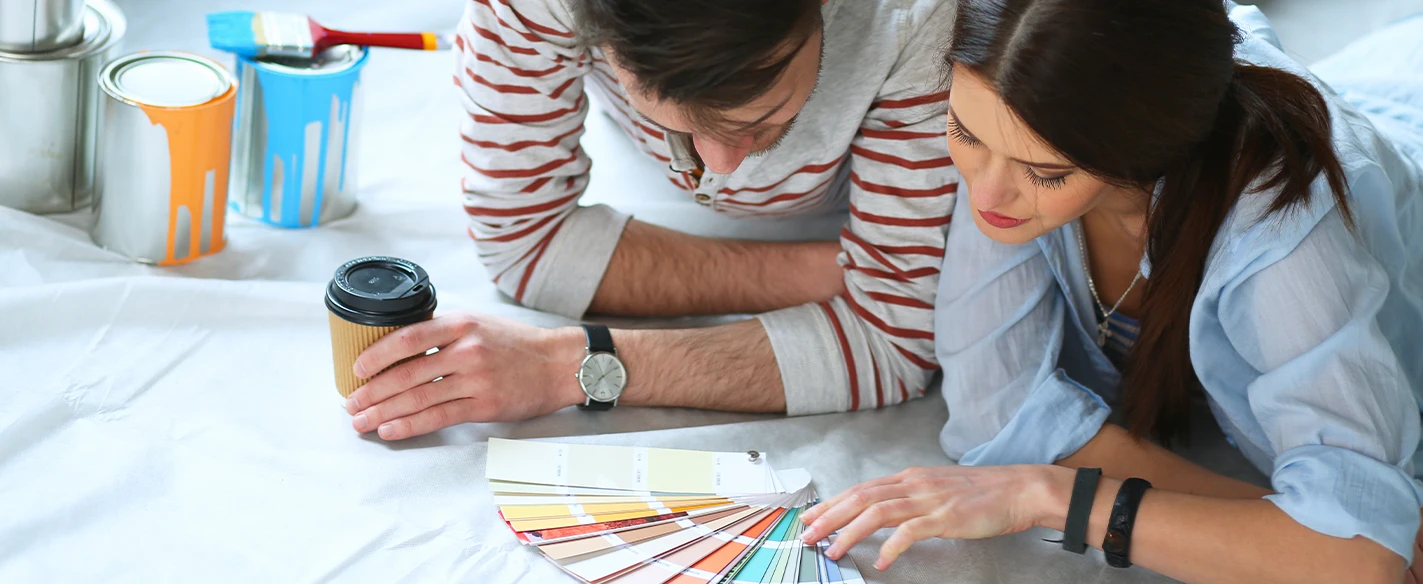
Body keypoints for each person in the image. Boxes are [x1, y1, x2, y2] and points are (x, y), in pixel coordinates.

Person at [798, 2, 1423, 583]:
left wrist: (1052, 495)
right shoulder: (1017, 114)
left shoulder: (1285, 221)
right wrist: (1291, 522)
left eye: (1046, 174)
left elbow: (1353, 561)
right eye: (962, 132)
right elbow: (998, 416)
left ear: (1150, 146)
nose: (985, 193)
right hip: (1400, 97)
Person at [339, 1, 959, 440]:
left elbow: (894, 347)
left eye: (761, 122)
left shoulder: (923, 18)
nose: (721, 168)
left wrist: (568, 366)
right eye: (675, 122)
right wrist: (847, 274)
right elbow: (528, 248)